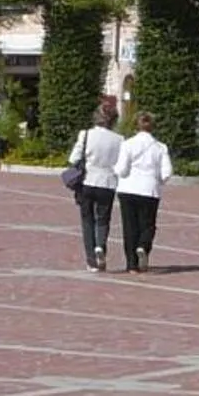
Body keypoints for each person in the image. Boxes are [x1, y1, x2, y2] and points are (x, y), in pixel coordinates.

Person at [114, 111, 174, 273]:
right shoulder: (160, 147)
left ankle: (131, 264)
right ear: (152, 127)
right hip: (149, 190)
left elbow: (121, 169)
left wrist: (117, 171)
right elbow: (167, 172)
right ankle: (143, 246)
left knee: (129, 226)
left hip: (128, 189)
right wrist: (158, 180)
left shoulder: (128, 144)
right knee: (148, 224)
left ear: (136, 126)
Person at [68, 97, 123, 271]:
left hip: (87, 181)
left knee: (87, 220)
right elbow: (121, 164)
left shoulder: (85, 135)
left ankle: (91, 260)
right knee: (103, 219)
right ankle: (100, 246)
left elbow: (73, 158)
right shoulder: (119, 139)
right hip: (108, 182)